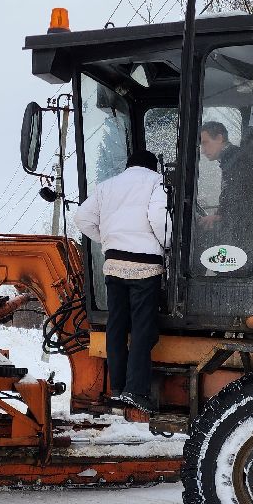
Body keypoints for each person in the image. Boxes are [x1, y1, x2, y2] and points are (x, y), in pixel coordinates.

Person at [72, 149, 169, 415]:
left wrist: (108, 239)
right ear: (152, 167)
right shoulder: (155, 182)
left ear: (129, 166)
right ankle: (136, 391)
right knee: (141, 329)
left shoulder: (107, 186)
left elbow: (82, 218)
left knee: (116, 326)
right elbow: (160, 219)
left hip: (114, 264)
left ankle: (117, 386)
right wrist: (167, 244)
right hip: (145, 266)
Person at [196, 120, 253, 241]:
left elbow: (240, 199)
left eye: (205, 143)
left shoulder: (237, 162)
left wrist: (219, 216)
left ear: (219, 138)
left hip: (241, 231)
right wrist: (218, 214)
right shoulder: (232, 159)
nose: (203, 150)